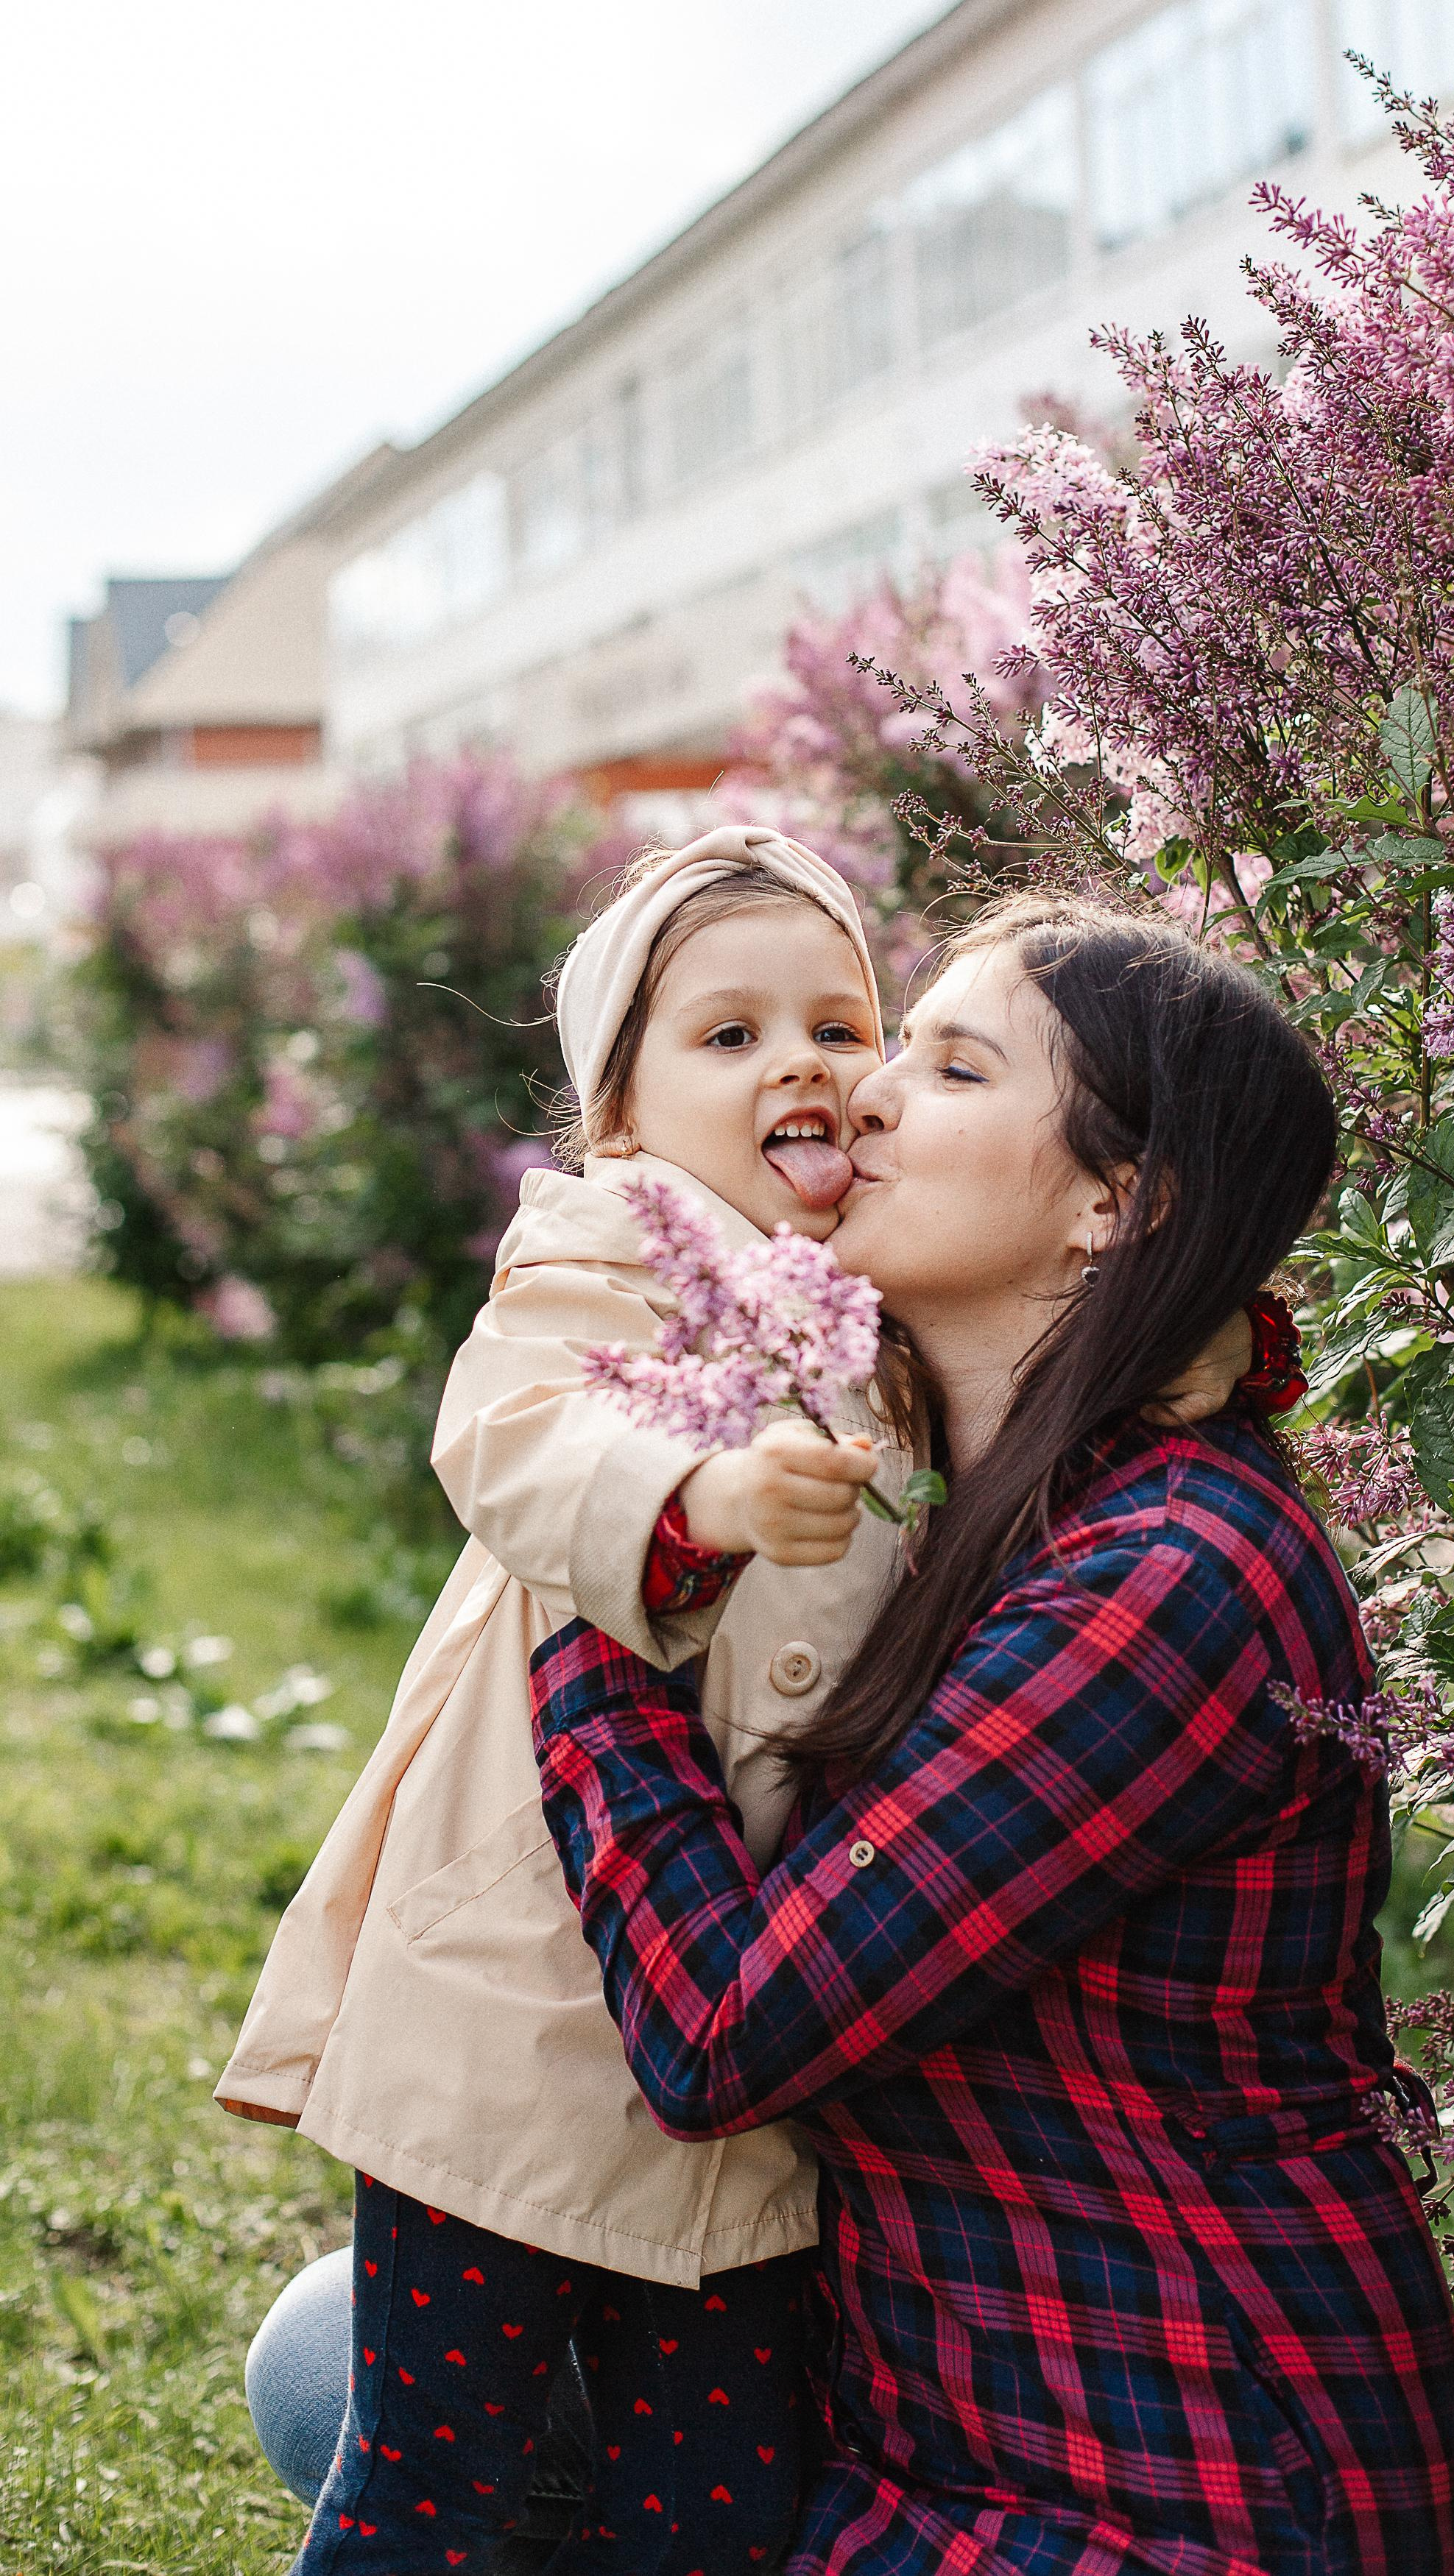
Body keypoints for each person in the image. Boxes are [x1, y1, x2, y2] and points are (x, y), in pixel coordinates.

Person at [225, 832, 1260, 2575]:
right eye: (725, 1035)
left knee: (714, 2507)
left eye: (845, 1022)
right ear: (617, 1115)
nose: (803, 1062)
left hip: (755, 2063)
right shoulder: (617, 1239)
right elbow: (516, 1434)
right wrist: (689, 1502)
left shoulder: (888, 1302)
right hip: (525, 2020)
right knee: (431, 2477)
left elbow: (1070, 1361)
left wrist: (1193, 1334)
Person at [529, 896, 1454, 2576]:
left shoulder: (1173, 1577)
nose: (863, 1093)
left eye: (951, 1066)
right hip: (927, 2429)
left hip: (1183, 2488)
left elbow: (730, 2035)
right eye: (897, 1042)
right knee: (346, 2352)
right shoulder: (937, 1514)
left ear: (1121, 1204)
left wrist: (591, 1615)